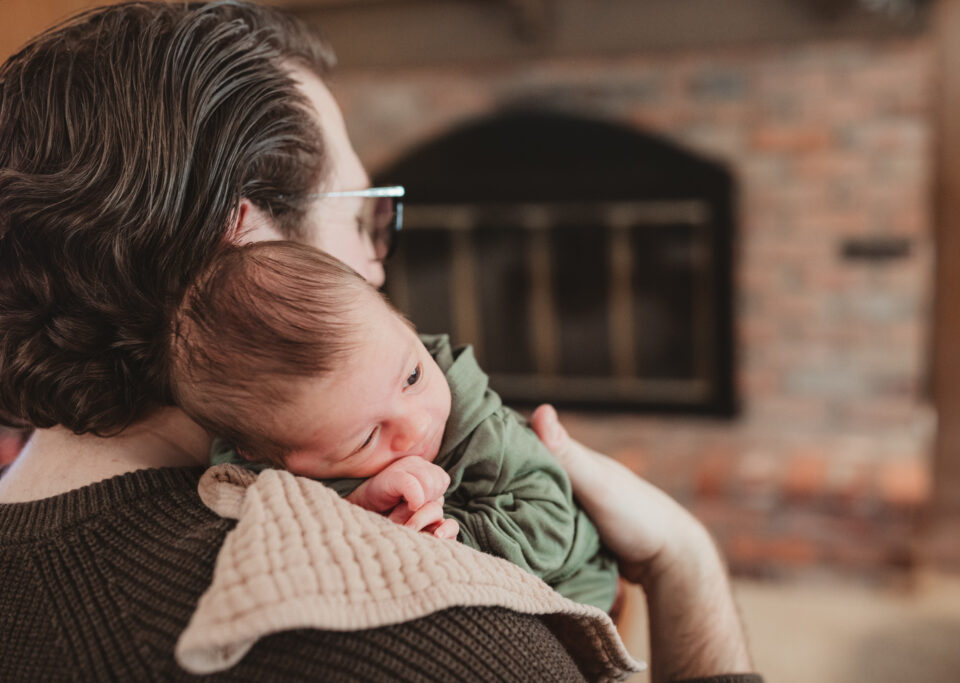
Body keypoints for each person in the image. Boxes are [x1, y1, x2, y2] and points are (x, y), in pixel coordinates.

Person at [0, 2, 760, 681]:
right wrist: (682, 560)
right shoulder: (425, 623)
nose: (377, 258)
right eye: (363, 215)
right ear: (242, 238)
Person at [169, 240, 620, 611]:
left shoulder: (482, 430)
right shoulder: (256, 479)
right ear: (265, 453)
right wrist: (357, 509)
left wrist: (456, 538)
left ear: (406, 326)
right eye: (367, 437)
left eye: (412, 377)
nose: (415, 425)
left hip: (572, 586)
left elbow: (556, 524)